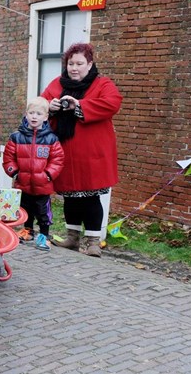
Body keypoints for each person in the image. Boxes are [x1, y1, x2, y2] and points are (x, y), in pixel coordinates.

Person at [41, 42, 122, 257]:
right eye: (70, 63)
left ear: (90, 64)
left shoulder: (102, 84)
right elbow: (41, 102)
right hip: (65, 152)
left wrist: (79, 105)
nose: (74, 68)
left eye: (79, 63)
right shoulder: (57, 84)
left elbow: (112, 103)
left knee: (91, 197)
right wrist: (50, 107)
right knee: (70, 196)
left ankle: (94, 241)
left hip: (92, 154)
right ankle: (72, 238)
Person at [2, 96, 65, 251]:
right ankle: (27, 230)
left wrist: (48, 175)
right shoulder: (16, 136)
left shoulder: (51, 139)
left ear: (45, 117)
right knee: (25, 209)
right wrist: (15, 173)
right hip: (23, 182)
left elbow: (57, 160)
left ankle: (44, 236)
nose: (34, 116)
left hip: (42, 184)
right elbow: (8, 157)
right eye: (31, 113)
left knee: (43, 213)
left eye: (38, 113)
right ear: (26, 114)